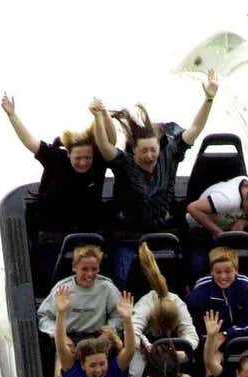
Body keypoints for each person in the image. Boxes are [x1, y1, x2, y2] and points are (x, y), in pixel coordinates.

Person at [89, 70, 219, 286]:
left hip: (163, 231)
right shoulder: (125, 163)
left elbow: (196, 128)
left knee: (179, 274)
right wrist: (97, 117)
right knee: (122, 277)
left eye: (153, 150)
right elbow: (104, 146)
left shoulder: (170, 154)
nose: (150, 156)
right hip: (129, 235)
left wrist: (209, 98)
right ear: (135, 151)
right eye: (144, 151)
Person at [0, 93, 116, 234]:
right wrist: (12, 115)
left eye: (87, 158)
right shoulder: (56, 158)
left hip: (88, 231)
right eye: (78, 158)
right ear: (68, 154)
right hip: (54, 230)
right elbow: (29, 141)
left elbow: (110, 141)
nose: (83, 162)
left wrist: (102, 114)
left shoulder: (98, 161)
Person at [128, 242, 198, 377]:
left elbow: (192, 336)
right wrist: (149, 349)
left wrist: (181, 353)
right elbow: (132, 332)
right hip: (144, 348)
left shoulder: (178, 304)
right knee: (135, 374)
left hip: (171, 348)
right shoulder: (145, 304)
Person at [185, 174, 248, 279]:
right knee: (199, 267)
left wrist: (243, 222)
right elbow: (192, 208)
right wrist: (218, 233)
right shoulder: (226, 200)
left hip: (227, 227)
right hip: (202, 228)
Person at [38, 244, 122, 348]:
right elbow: (44, 317)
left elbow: (118, 316)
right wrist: (59, 335)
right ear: (74, 267)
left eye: (94, 269)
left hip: (97, 338)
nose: (90, 274)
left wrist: (108, 332)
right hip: (69, 339)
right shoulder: (62, 288)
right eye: (84, 269)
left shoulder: (107, 288)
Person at [187, 247, 248, 339]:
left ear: (236, 270)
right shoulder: (201, 287)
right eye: (218, 272)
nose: (223, 276)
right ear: (211, 272)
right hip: (211, 338)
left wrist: (226, 334)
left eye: (228, 271)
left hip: (243, 336)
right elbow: (190, 317)